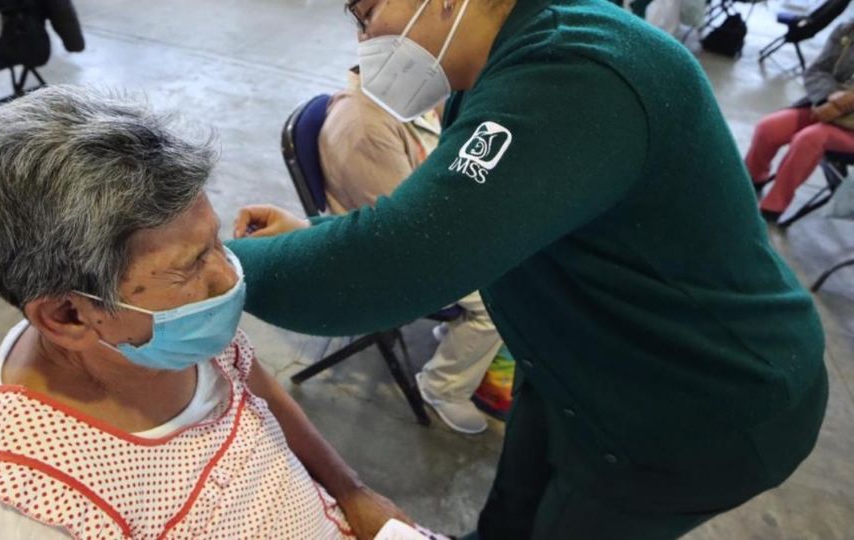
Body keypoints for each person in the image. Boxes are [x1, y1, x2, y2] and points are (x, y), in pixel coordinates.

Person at [230, 0, 828, 538]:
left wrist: (215, 269)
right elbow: (444, 217)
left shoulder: (571, 76)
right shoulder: (510, 60)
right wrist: (313, 234)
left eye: (369, 12)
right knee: (512, 512)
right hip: (574, 365)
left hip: (688, 399)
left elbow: (396, 262)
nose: (365, 40)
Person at [0, 86, 407, 540]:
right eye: (190, 266)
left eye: (213, 243)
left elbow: (249, 382)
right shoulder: (11, 510)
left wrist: (352, 491)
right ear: (67, 316)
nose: (229, 278)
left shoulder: (153, 330)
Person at [320, 65, 502, 434]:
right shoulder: (366, 127)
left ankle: (459, 344)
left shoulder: (400, 95)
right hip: (389, 252)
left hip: (419, 228)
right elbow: (409, 230)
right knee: (497, 299)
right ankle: (443, 387)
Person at [745, 21, 854, 224]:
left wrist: (846, 103)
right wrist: (830, 97)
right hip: (826, 106)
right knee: (768, 128)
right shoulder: (847, 30)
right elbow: (817, 70)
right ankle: (752, 180)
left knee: (809, 139)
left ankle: (772, 208)